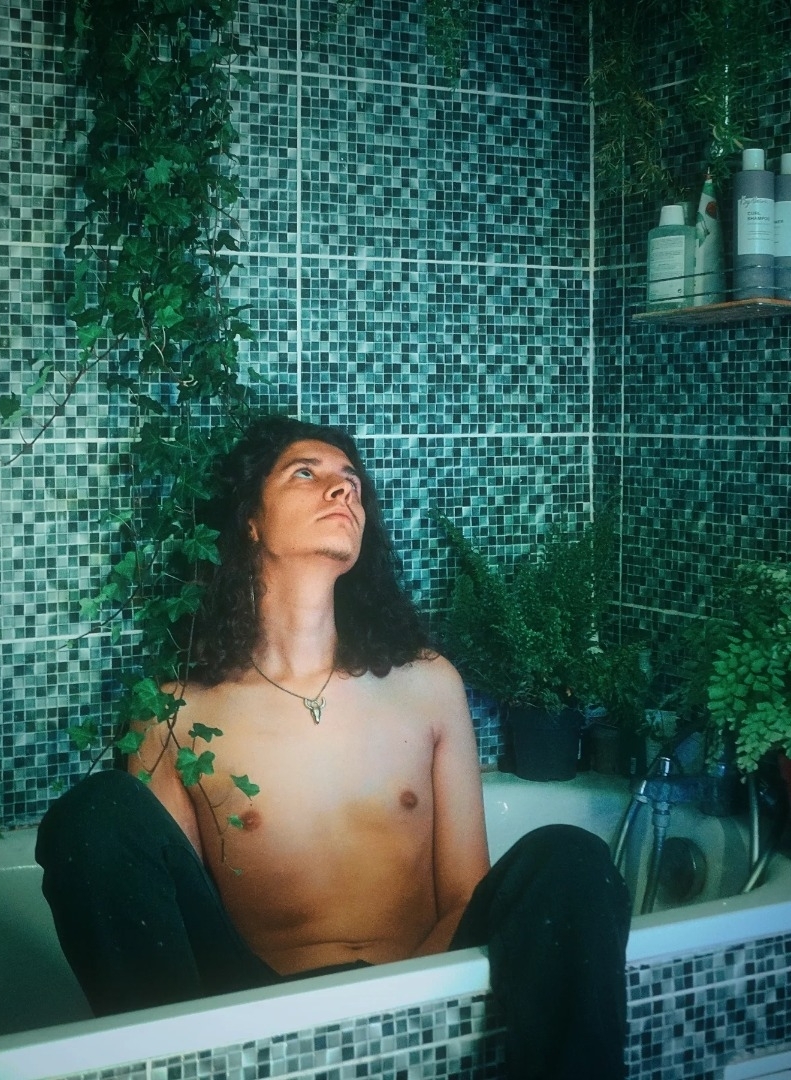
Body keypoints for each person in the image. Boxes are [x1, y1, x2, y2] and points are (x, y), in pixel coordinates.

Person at [36, 415, 631, 1080]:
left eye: (351, 481)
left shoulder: (427, 684)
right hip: (255, 1010)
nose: (343, 490)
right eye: (306, 473)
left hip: (422, 990)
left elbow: (468, 895)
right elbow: (171, 919)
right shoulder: (175, 713)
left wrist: (386, 1013)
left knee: (570, 856)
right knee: (96, 815)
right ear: (250, 521)